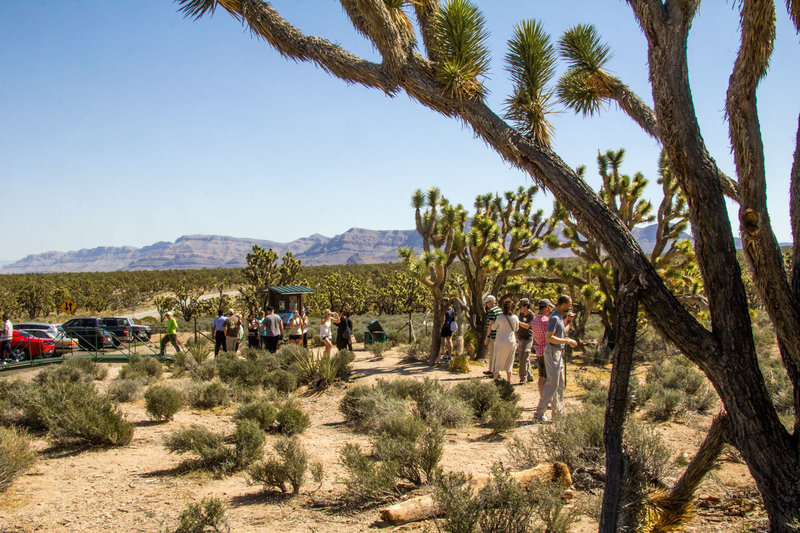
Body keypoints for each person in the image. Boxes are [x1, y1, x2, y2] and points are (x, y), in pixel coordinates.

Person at [534, 295, 578, 422]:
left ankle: (558, 413)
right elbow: (549, 337)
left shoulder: (558, 317)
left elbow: (560, 331)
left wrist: (568, 323)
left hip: (558, 352)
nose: (570, 307)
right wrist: (567, 340)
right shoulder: (553, 318)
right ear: (564, 304)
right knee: (552, 383)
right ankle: (539, 414)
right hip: (553, 352)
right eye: (569, 305)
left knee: (559, 384)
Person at [490, 298, 519, 382]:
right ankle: (508, 381)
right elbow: (516, 329)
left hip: (500, 341)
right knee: (510, 361)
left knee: (497, 361)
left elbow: (493, 327)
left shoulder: (500, 317)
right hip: (511, 341)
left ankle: (495, 380)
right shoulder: (515, 318)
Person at [531, 299, 554, 398]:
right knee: (547, 378)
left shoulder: (535, 320)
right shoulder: (546, 321)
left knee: (541, 376)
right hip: (546, 351)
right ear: (547, 308)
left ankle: (542, 397)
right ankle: (545, 398)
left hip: (539, 350)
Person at [516, 298, 535, 384]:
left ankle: (523, 377)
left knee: (525, 355)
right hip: (521, 338)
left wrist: (518, 322)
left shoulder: (531, 315)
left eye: (521, 307)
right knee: (523, 357)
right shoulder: (520, 314)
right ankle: (530, 375)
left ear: (526, 306)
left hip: (528, 338)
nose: (520, 308)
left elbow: (527, 326)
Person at [482, 295, 501, 376]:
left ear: (491, 302)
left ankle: (494, 372)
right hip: (499, 335)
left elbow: (491, 324)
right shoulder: (499, 310)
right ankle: (491, 370)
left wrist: (487, 336)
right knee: (495, 354)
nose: (486, 304)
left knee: (493, 354)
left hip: (493, 335)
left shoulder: (492, 311)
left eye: (487, 302)